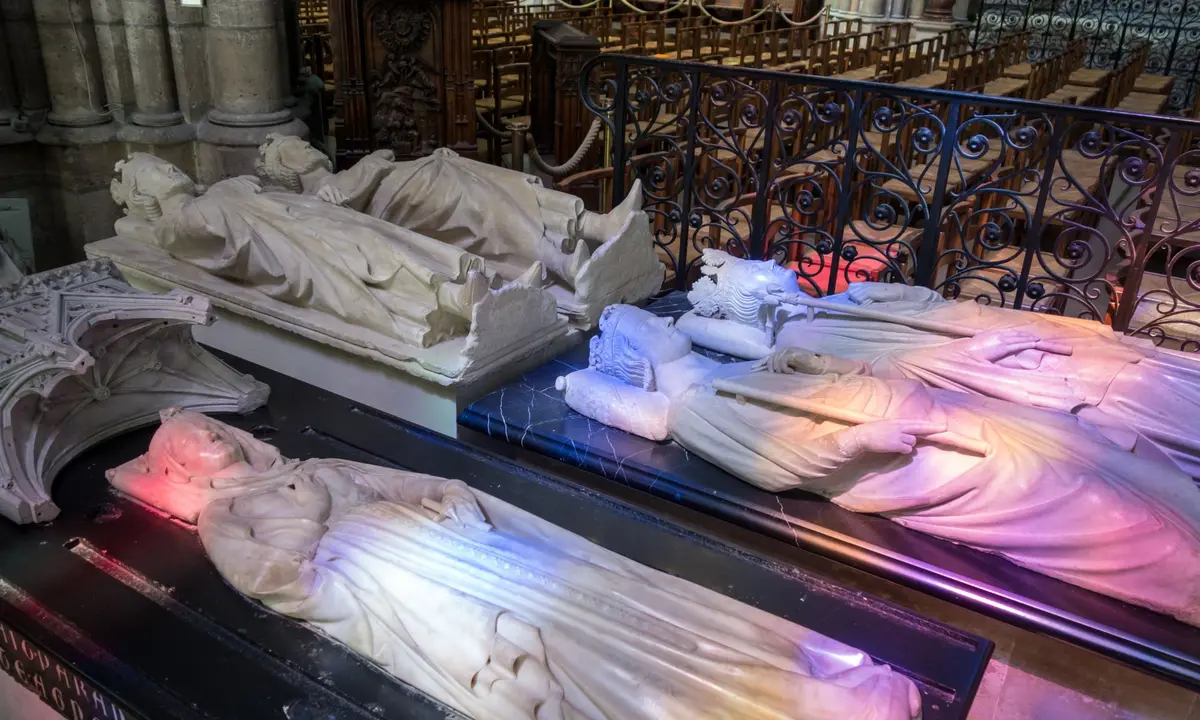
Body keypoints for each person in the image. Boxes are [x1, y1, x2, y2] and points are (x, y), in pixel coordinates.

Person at [108, 409, 922, 720]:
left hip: (441, 538)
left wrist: (449, 500)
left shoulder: (311, 468)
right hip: (393, 574)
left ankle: (794, 684)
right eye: (188, 442)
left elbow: (430, 480)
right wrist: (338, 540)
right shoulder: (229, 512)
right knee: (560, 641)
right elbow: (270, 579)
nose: (208, 436)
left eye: (209, 425)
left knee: (602, 595)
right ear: (182, 469)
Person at [559, 305, 1200, 627]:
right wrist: (860, 441)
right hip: (901, 458)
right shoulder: (696, 408)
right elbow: (777, 466)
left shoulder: (747, 367)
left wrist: (969, 355)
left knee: (1082, 445)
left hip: (937, 411)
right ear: (629, 355)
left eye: (639, 312)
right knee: (1082, 504)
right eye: (627, 325)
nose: (644, 318)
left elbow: (869, 368)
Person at [254, 135, 662, 323]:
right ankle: (564, 259)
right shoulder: (320, 193)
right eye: (297, 148)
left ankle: (593, 224)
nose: (308, 146)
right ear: (285, 168)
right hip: (403, 201)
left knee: (502, 185)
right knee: (483, 207)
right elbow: (345, 208)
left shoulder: (342, 177)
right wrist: (375, 163)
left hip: (419, 179)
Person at [111, 153, 500, 348]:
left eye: (165, 163)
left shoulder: (220, 191)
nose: (169, 168)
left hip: (300, 218)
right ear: (142, 193)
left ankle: (459, 288)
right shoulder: (175, 225)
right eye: (153, 169)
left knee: (374, 239)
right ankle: (451, 300)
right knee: (346, 263)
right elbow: (149, 232)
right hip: (273, 245)